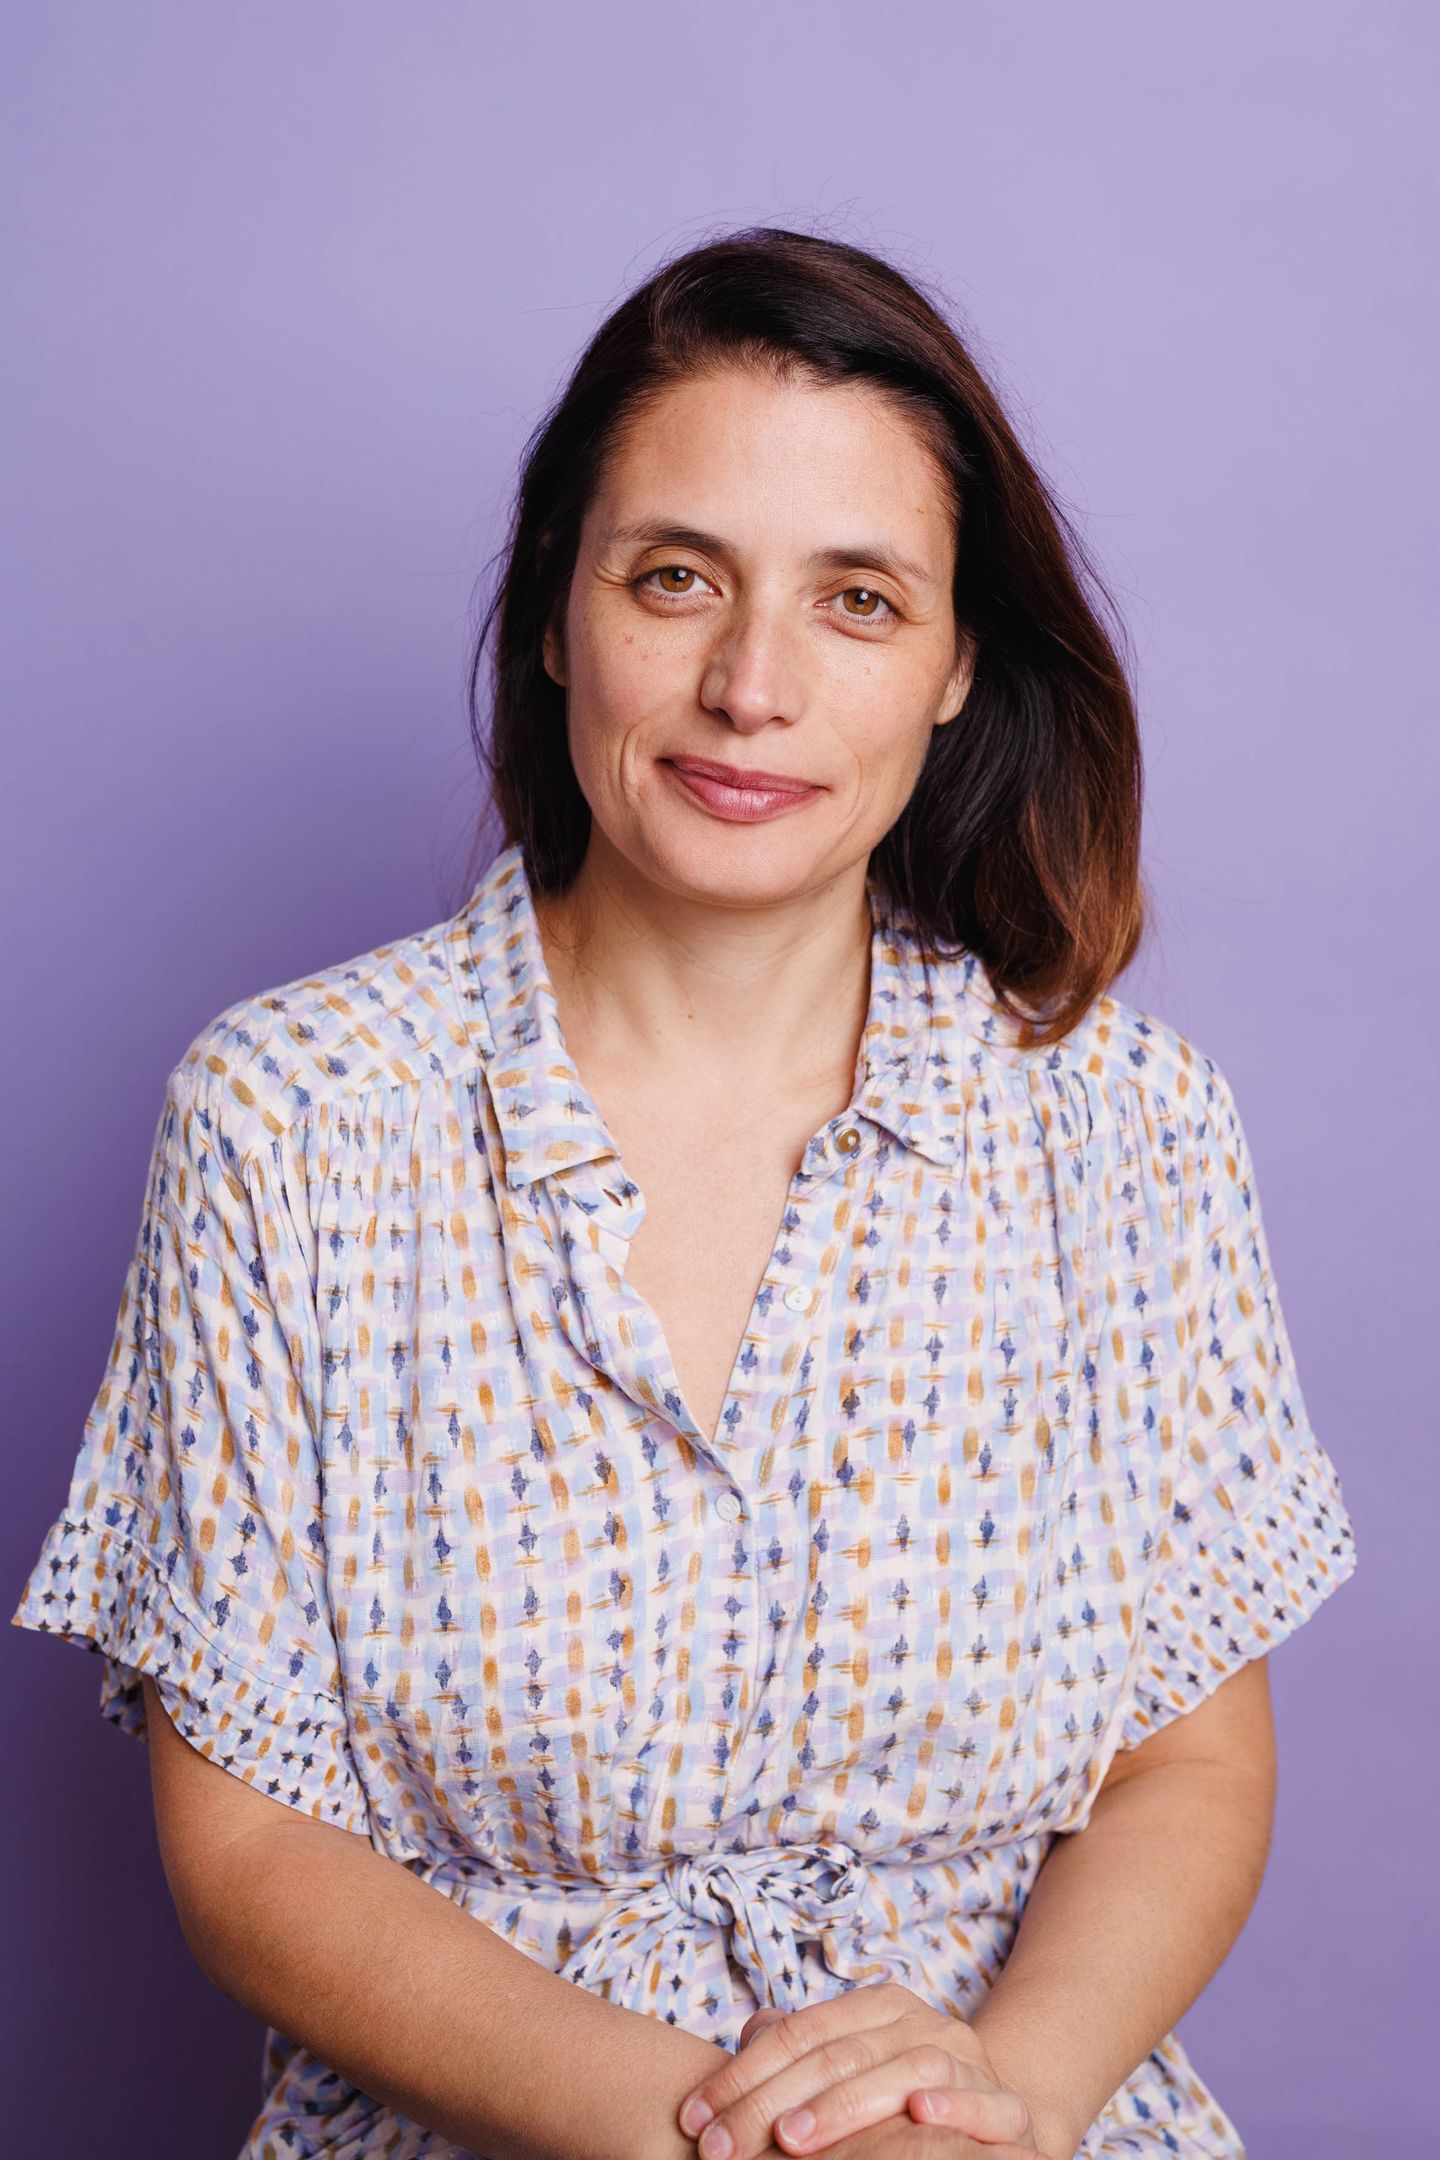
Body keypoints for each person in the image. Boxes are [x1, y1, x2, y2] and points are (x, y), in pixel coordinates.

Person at [11, 227, 1357, 2160]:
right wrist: (729, 2140)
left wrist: (998, 2101)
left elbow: (1190, 1767)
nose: (751, 685)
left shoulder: (1130, 1126)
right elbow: (251, 1848)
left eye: (859, 601)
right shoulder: (289, 1121)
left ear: (961, 664)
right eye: (676, 579)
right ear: (558, 613)